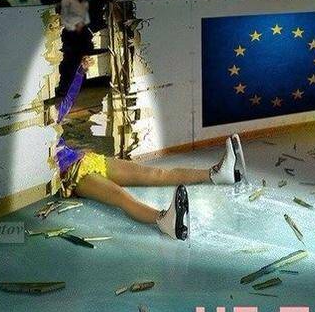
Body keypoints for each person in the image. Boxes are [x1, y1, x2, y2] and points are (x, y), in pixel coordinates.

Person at [57, 57, 248, 240]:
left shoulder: (50, 119)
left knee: (157, 173)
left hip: (86, 160)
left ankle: (217, 174)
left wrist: (80, 71)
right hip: (73, 177)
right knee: (120, 196)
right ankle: (164, 221)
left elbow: (68, 100)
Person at [58, 0, 93, 95]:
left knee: (83, 55)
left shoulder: (85, 2)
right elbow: (64, 19)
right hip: (70, 35)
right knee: (70, 59)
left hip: (82, 35)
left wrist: (81, 24)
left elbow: (86, 19)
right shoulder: (67, 0)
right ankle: (65, 87)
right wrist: (74, 26)